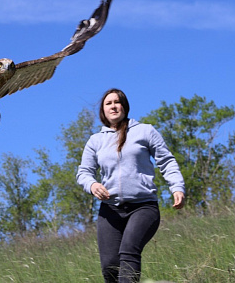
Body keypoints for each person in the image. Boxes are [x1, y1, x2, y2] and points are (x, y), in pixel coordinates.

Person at [76, 88, 185, 283]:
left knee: (128, 251)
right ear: (103, 110)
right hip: (110, 211)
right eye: (108, 103)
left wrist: (177, 187)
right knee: (109, 265)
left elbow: (166, 161)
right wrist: (92, 185)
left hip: (143, 206)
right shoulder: (95, 141)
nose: (113, 106)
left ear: (124, 106)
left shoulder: (145, 131)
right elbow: (84, 172)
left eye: (117, 102)